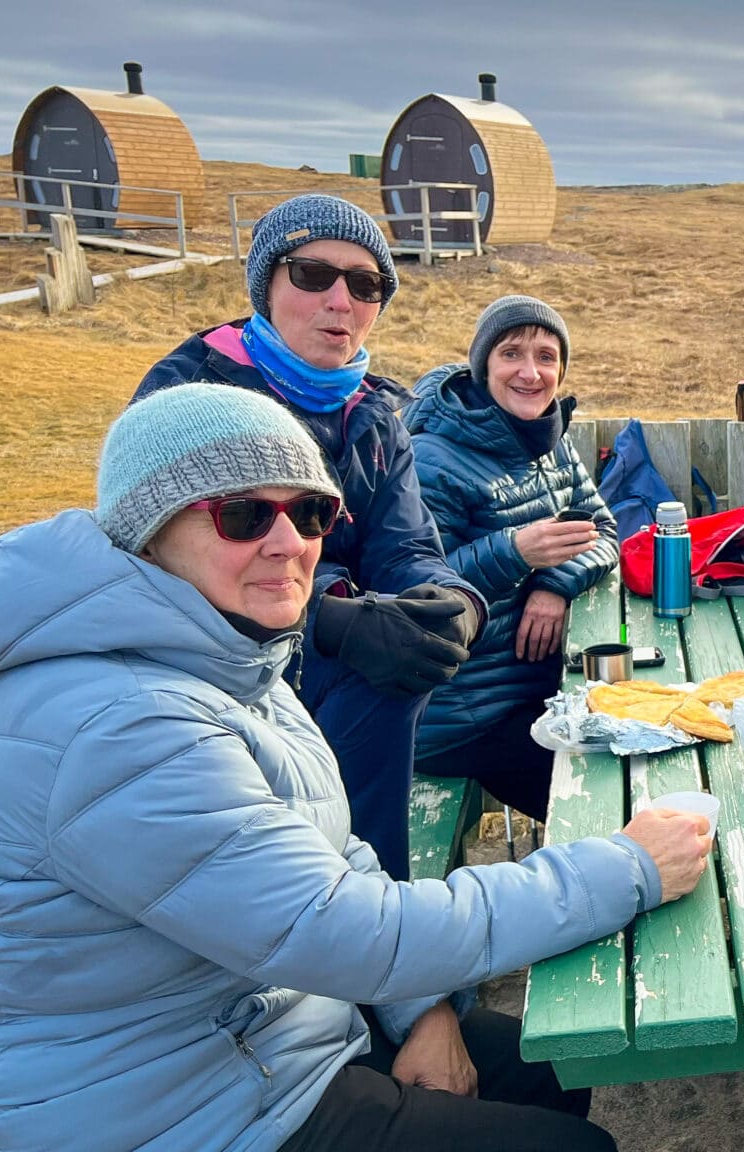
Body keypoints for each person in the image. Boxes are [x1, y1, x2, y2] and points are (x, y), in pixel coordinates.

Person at [0, 383, 714, 1152]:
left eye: (310, 513)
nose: (289, 544)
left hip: (266, 1032)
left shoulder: (227, 655)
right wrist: (627, 868)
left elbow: (331, 862)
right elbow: (345, 929)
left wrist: (421, 1012)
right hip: (172, 1113)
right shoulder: (121, 726)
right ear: (147, 535)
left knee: (550, 1062)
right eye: (244, 515)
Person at [137, 194, 485, 875]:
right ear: (265, 284)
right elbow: (186, 561)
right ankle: (358, 909)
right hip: (204, 655)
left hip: (317, 638)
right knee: (380, 672)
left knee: (410, 654)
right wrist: (333, 617)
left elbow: (405, 545)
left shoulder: (376, 414)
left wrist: (453, 603)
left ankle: (364, 902)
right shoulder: (193, 397)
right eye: (312, 274)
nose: (340, 301)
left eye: (366, 284)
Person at [407, 296, 617, 820]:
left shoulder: (549, 438)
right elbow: (413, 595)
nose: (531, 372)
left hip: (533, 691)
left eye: (546, 357)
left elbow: (606, 529)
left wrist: (553, 584)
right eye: (511, 354)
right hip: (462, 719)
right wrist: (515, 552)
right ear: (483, 366)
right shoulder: (434, 457)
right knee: (609, 808)